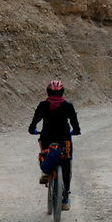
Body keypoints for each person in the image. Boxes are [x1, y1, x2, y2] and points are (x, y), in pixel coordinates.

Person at [28, 80, 80, 210]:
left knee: (45, 153)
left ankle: (46, 172)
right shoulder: (68, 106)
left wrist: (32, 130)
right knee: (66, 165)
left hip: (47, 138)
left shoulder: (43, 105)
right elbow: (75, 123)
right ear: (62, 92)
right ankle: (66, 198)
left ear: (48, 91)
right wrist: (76, 131)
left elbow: (35, 121)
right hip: (64, 139)